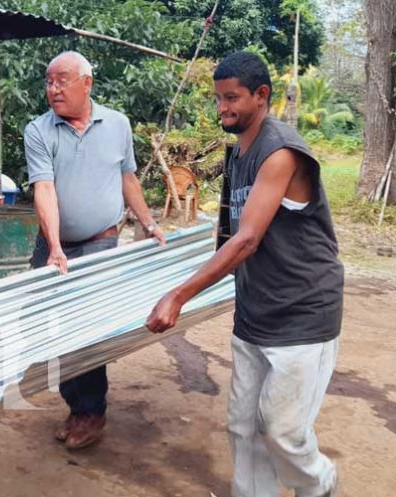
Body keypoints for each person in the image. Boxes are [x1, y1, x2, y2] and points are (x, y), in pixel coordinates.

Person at [146, 51, 342, 497]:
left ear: (261, 95)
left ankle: (319, 482)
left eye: (231, 98)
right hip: (256, 312)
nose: (222, 109)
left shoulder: (280, 152)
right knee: (243, 427)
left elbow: (247, 239)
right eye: (217, 99)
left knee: (280, 429)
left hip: (302, 314)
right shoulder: (239, 153)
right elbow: (228, 234)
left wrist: (179, 295)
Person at [25, 51, 166, 450]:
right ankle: (75, 405)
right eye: (49, 81)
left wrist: (149, 223)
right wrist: (54, 246)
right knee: (53, 328)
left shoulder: (118, 124)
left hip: (102, 241)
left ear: (86, 83)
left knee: (87, 328)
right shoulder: (38, 130)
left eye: (62, 80)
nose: (53, 89)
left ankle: (93, 412)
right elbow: (45, 188)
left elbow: (128, 179)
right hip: (55, 246)